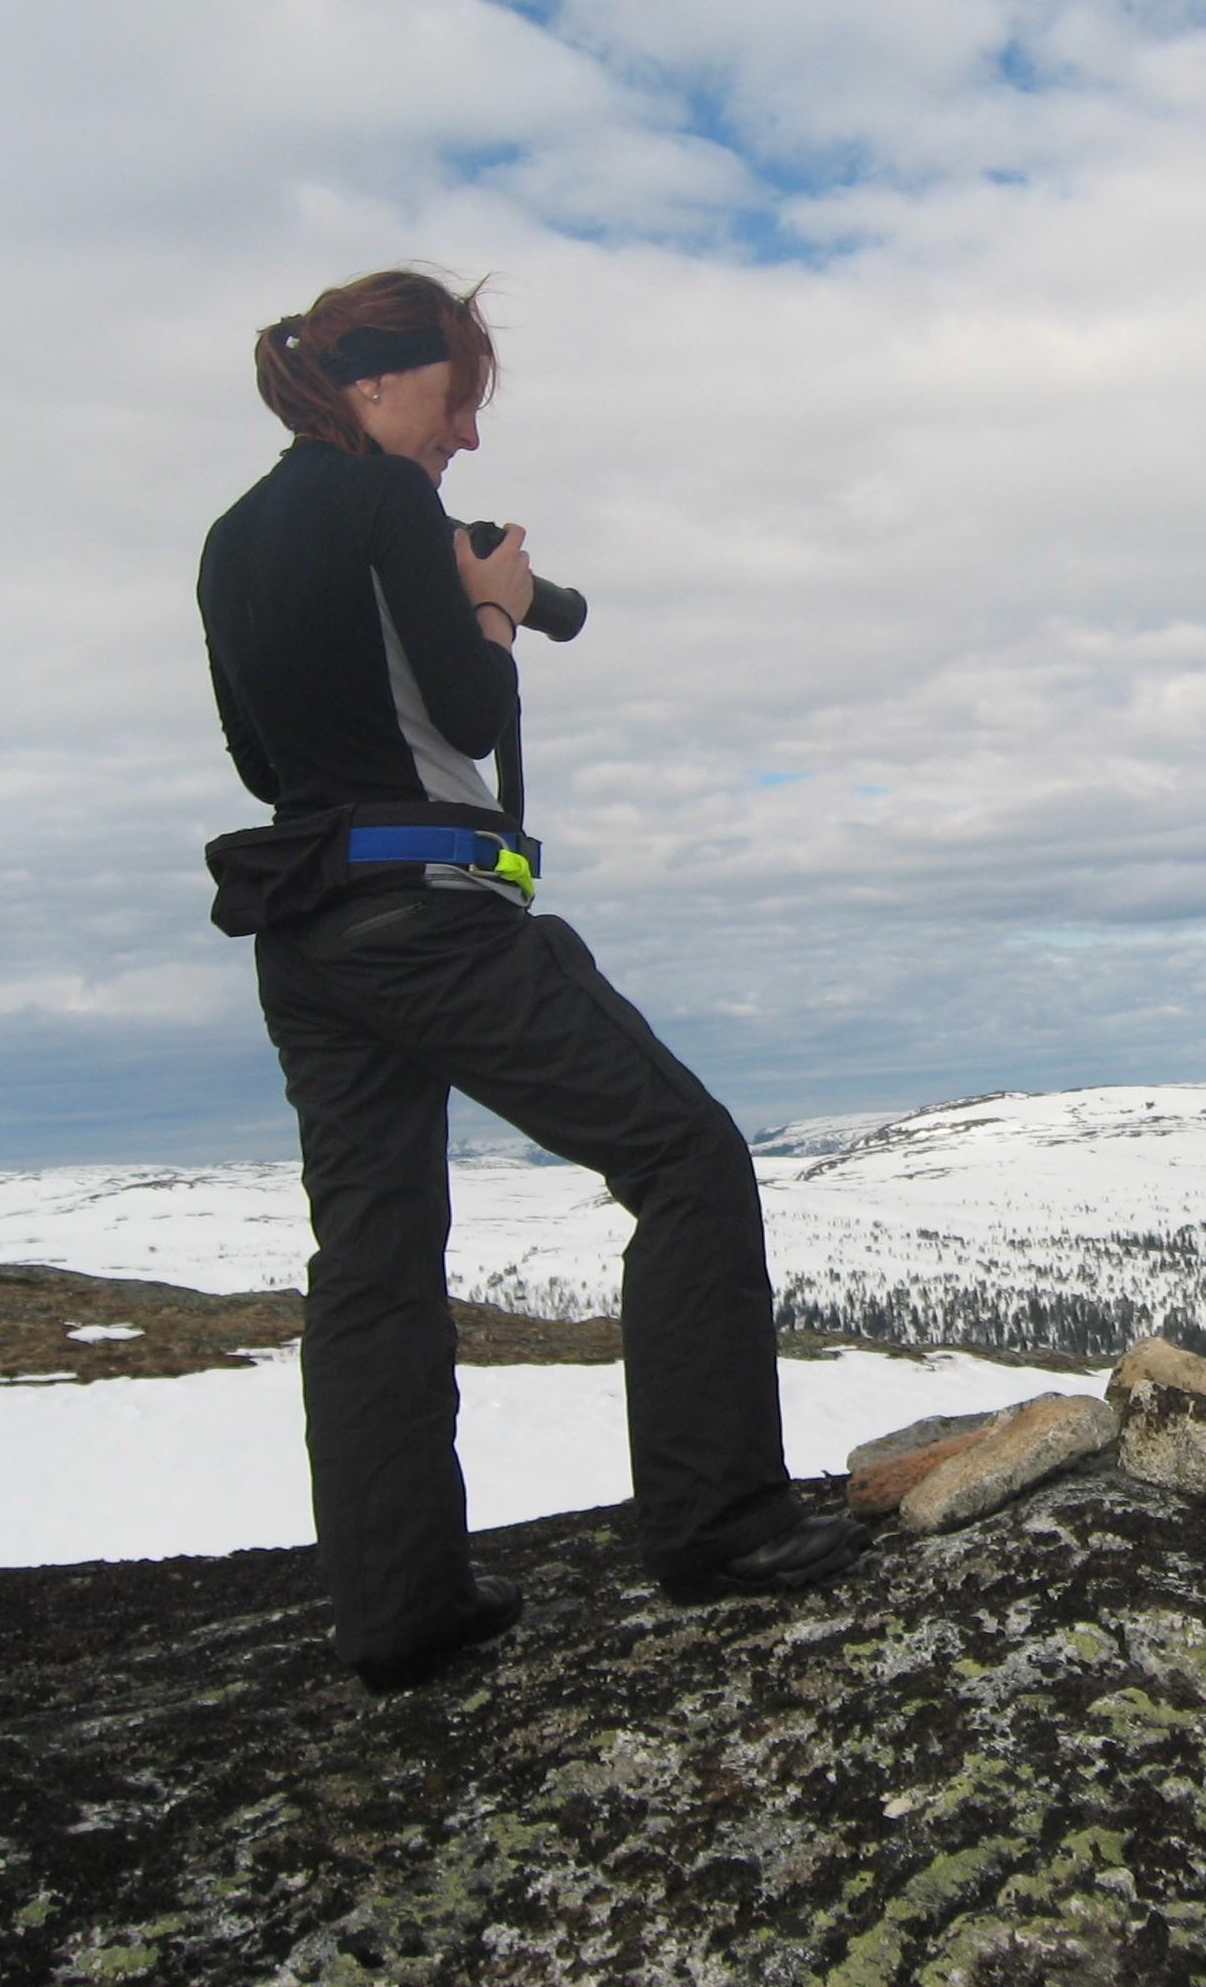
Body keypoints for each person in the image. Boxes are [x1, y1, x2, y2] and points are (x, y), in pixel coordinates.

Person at [196, 266, 864, 1693]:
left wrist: (416, 607)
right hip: (433, 916)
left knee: (370, 1269)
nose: (465, 436)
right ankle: (721, 1523)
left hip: (310, 940)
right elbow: (468, 708)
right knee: (686, 1160)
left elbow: (265, 764)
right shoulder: (383, 500)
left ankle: (401, 1607)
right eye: (456, 398)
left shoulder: (230, 540)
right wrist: (490, 603)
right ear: (377, 380)